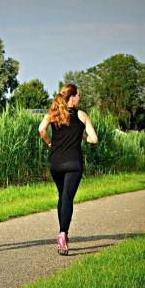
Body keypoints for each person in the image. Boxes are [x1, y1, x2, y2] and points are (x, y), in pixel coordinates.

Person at [38, 84, 98, 255]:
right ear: (72, 97)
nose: (79, 98)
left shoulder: (54, 113)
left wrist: (49, 142)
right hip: (73, 164)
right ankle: (63, 233)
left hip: (55, 163)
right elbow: (94, 139)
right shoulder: (81, 115)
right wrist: (82, 136)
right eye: (78, 95)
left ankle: (62, 234)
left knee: (62, 196)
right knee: (67, 198)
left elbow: (41, 129)